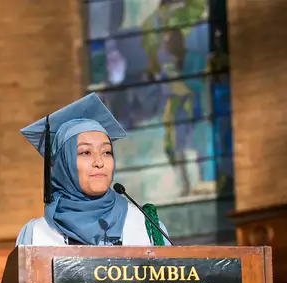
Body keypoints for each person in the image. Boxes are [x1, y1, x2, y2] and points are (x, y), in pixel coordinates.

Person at [16, 93, 171, 247]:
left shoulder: (147, 226)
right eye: (85, 152)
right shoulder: (36, 235)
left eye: (106, 152)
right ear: (62, 166)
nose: (99, 162)